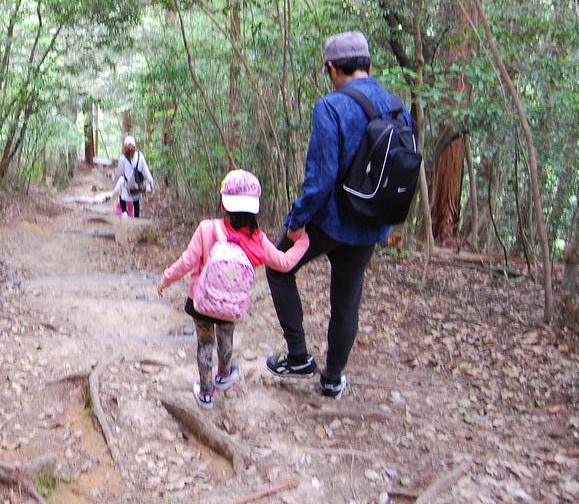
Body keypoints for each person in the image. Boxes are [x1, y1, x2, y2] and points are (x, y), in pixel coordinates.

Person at [266, 31, 413, 400]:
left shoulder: (331, 107)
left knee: (277, 268)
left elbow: (320, 178)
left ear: (332, 68)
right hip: (371, 222)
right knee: (346, 301)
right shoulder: (397, 107)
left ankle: (299, 356)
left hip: (328, 221)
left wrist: (297, 220)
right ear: (369, 65)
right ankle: (332, 378)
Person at [157, 170, 310, 409]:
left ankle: (206, 393)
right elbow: (284, 263)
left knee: (205, 344)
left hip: (201, 301)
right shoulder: (257, 239)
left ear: (224, 203)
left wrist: (166, 279)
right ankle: (225, 374)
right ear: (254, 207)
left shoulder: (207, 229)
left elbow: (187, 261)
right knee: (225, 339)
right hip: (231, 306)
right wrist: (303, 242)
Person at [114, 136, 154, 218]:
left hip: (126, 186)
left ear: (124, 147)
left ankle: (124, 212)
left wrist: (115, 182)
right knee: (136, 201)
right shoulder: (140, 156)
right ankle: (136, 217)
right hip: (137, 185)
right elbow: (145, 171)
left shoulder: (123, 158)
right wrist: (151, 182)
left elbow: (119, 173)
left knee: (122, 195)